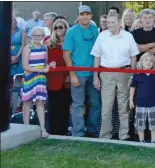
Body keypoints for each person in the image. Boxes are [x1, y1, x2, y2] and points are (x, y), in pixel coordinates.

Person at [91, 14, 140, 140]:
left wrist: (131, 75)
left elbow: (134, 56)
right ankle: (105, 135)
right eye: (108, 22)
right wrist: (95, 76)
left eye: (112, 22)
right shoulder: (102, 36)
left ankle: (124, 135)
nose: (109, 25)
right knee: (106, 107)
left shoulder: (128, 36)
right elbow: (97, 56)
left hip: (124, 73)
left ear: (119, 23)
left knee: (123, 106)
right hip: (106, 74)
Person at [63, 5, 100, 137]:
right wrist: (72, 75)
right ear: (78, 16)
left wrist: (97, 73)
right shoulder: (72, 32)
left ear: (91, 16)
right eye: (82, 14)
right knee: (78, 104)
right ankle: (78, 132)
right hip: (78, 74)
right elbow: (66, 54)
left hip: (93, 73)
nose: (85, 17)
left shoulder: (94, 29)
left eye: (87, 14)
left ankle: (92, 130)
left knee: (95, 103)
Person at [21, 27, 53, 138]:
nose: (37, 37)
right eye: (35, 35)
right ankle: (26, 128)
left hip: (41, 79)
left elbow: (45, 64)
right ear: (32, 36)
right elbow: (25, 67)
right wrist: (40, 70)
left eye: (39, 35)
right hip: (30, 78)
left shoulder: (45, 47)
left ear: (43, 36)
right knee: (27, 103)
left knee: (40, 103)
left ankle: (43, 129)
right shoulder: (27, 48)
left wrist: (50, 65)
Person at [129, 53, 155, 143]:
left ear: (154, 64)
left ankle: (153, 141)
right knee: (140, 122)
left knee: (154, 122)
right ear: (141, 62)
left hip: (153, 102)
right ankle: (142, 140)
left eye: (151, 61)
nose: (149, 62)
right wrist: (131, 100)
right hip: (140, 103)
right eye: (146, 60)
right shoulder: (137, 75)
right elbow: (132, 87)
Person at [45, 19, 70, 135]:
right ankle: (53, 130)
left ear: (65, 28)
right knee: (53, 106)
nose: (58, 30)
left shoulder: (70, 41)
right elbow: (43, 58)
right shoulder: (48, 42)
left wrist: (71, 74)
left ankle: (64, 130)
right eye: (55, 28)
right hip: (53, 78)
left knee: (65, 106)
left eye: (61, 27)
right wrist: (49, 63)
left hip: (66, 78)